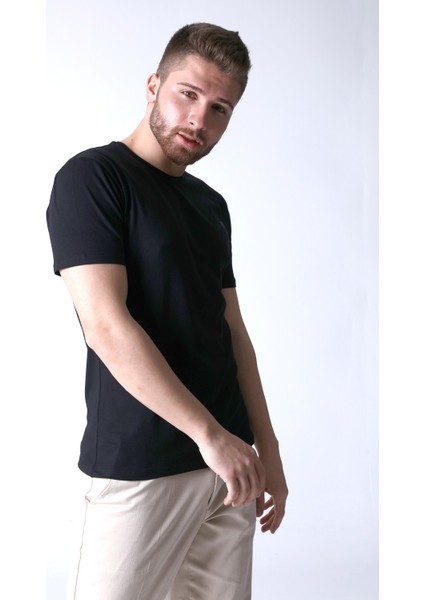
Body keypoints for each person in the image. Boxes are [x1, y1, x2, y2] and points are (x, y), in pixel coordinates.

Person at [47, 22, 288, 600]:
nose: (199, 119)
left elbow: (232, 332)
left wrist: (268, 450)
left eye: (220, 108)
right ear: (153, 84)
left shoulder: (210, 205)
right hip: (143, 462)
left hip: (230, 466)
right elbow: (105, 325)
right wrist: (209, 435)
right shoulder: (93, 178)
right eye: (188, 94)